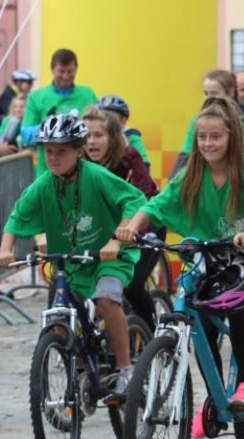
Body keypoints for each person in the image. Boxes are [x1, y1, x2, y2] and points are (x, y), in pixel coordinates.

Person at [116, 96, 244, 438]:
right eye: (202, 137)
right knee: (201, 320)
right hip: (213, 254)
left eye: (215, 137)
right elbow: (156, 205)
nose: (208, 144)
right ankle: (216, 399)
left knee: (234, 299)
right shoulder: (191, 173)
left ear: (231, 137)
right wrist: (134, 226)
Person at [0, 113, 145, 401]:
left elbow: (135, 200)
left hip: (109, 259)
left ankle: (125, 369)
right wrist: (5, 249)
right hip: (71, 262)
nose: (53, 158)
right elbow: (17, 217)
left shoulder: (97, 176)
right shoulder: (44, 184)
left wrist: (117, 238)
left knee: (106, 300)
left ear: (79, 151)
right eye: (48, 151)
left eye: (61, 151)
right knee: (62, 319)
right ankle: (79, 373)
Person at [81, 106, 161, 331]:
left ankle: (151, 334)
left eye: (98, 135)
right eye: (87, 136)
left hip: (143, 228)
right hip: (105, 233)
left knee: (132, 286)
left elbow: (143, 199)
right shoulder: (80, 164)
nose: (91, 142)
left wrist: (128, 234)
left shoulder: (129, 159)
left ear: (113, 137)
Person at [171, 69, 244, 178]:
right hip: (209, 177)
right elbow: (185, 155)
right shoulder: (197, 120)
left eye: (213, 93)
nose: (208, 98)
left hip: (240, 175)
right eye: (206, 93)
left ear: (230, 92)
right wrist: (172, 181)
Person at [21, 48, 97, 178]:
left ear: (76, 69)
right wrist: (53, 126)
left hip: (82, 171)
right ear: (52, 70)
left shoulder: (88, 95)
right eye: (61, 71)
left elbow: (97, 127)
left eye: (70, 71)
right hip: (47, 173)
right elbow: (26, 134)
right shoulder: (36, 97)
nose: (66, 76)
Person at [97, 95, 150, 165]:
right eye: (100, 117)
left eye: (110, 118)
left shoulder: (130, 136)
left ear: (123, 121)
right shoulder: (93, 136)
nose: (104, 122)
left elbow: (144, 164)